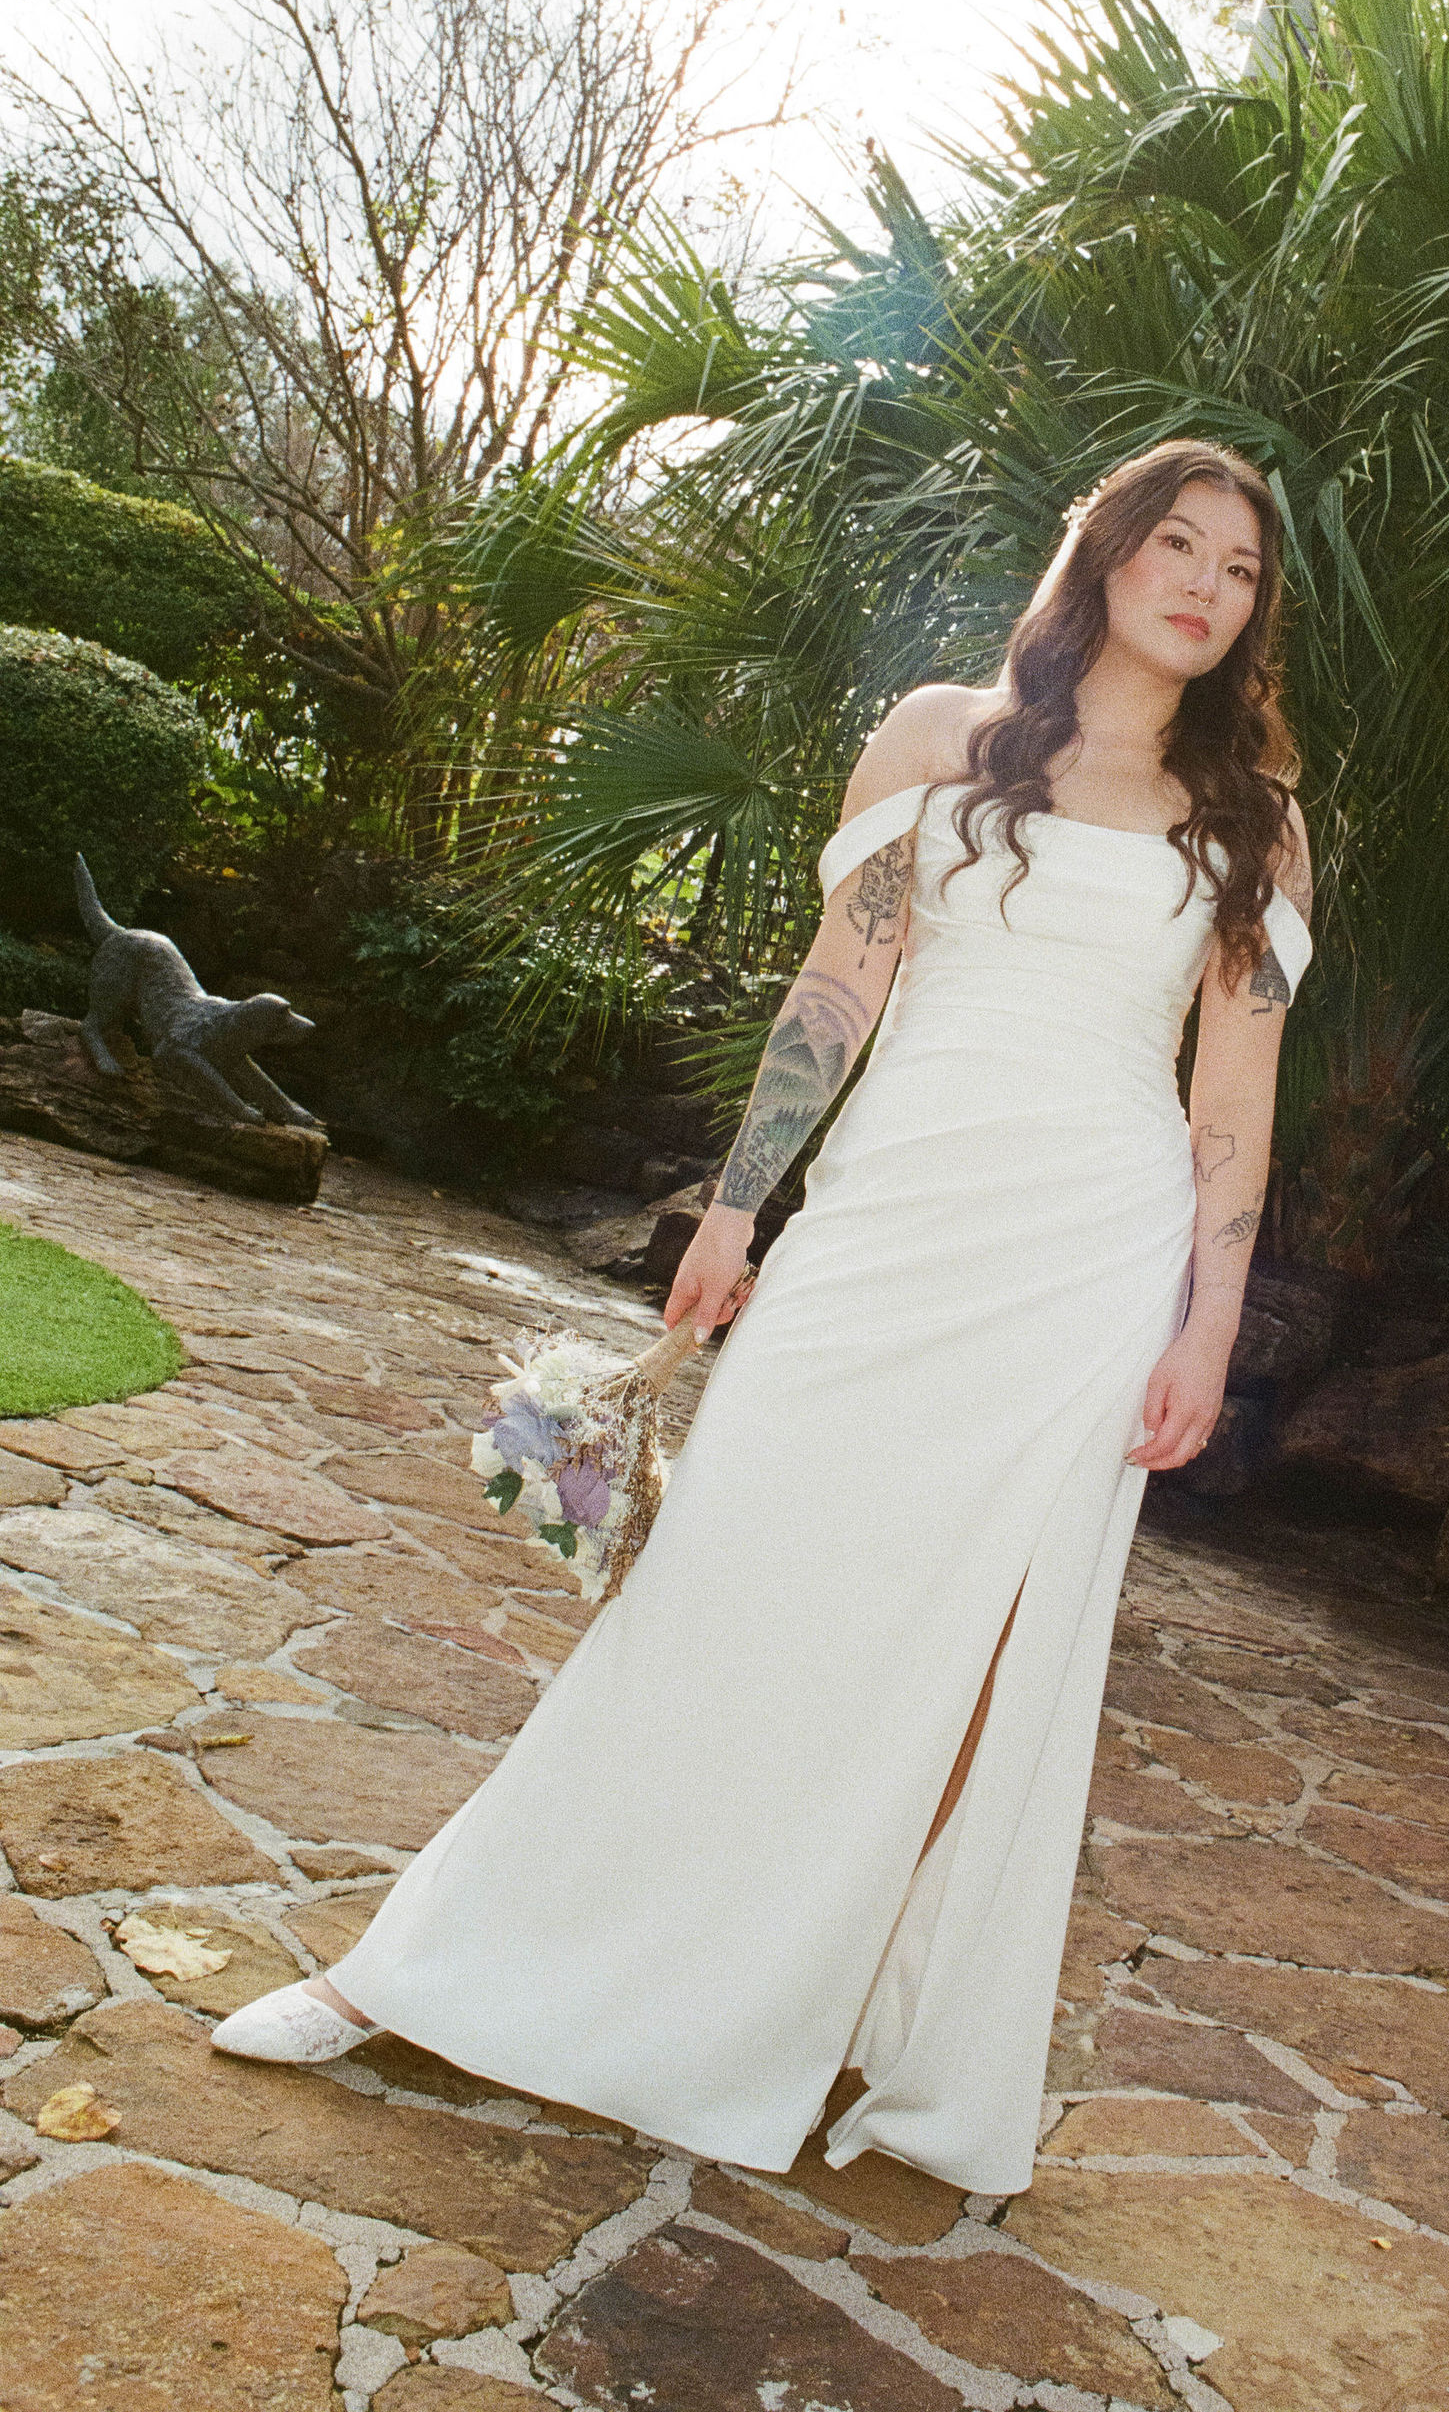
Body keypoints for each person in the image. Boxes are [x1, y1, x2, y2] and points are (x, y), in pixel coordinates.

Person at [211, 437, 1313, 2199]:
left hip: (1089, 1261)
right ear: (1105, 551)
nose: (1204, 583)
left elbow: (1232, 1103)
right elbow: (838, 989)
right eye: (1176, 542)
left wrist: (1208, 1326)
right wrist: (736, 1206)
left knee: (973, 1639)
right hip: (887, 1216)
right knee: (717, 1574)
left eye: (1239, 567)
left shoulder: (1254, 822)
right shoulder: (942, 736)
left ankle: (829, 2007)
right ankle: (414, 1968)